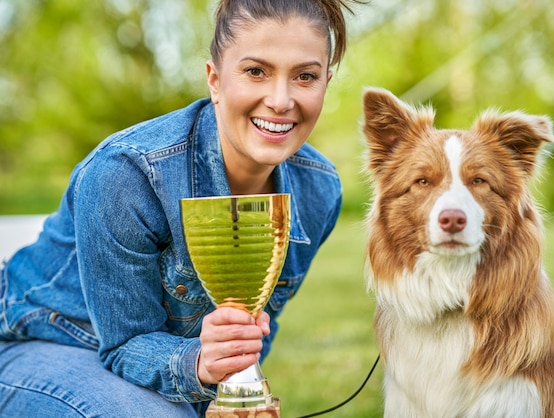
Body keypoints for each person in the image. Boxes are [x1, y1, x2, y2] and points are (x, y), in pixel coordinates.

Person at [0, 0, 365, 416]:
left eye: (305, 76)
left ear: (326, 82)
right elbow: (123, 344)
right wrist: (197, 364)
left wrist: (227, 366)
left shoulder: (318, 190)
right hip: (47, 340)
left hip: (165, 374)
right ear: (214, 78)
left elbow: (261, 326)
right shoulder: (129, 174)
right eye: (255, 71)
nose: (281, 100)